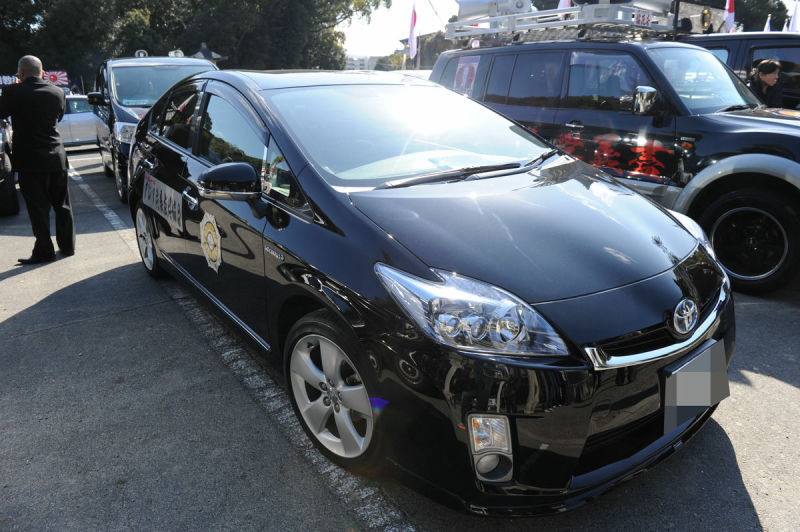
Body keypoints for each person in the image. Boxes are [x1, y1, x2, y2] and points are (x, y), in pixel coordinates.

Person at [0, 55, 75, 264]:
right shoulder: (57, 92)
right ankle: (68, 246)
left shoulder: (11, 92)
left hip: (30, 160)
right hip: (56, 156)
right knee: (62, 205)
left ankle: (44, 250)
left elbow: (1, 113)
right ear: (42, 73)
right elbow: (57, 118)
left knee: (38, 207)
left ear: (20, 73)